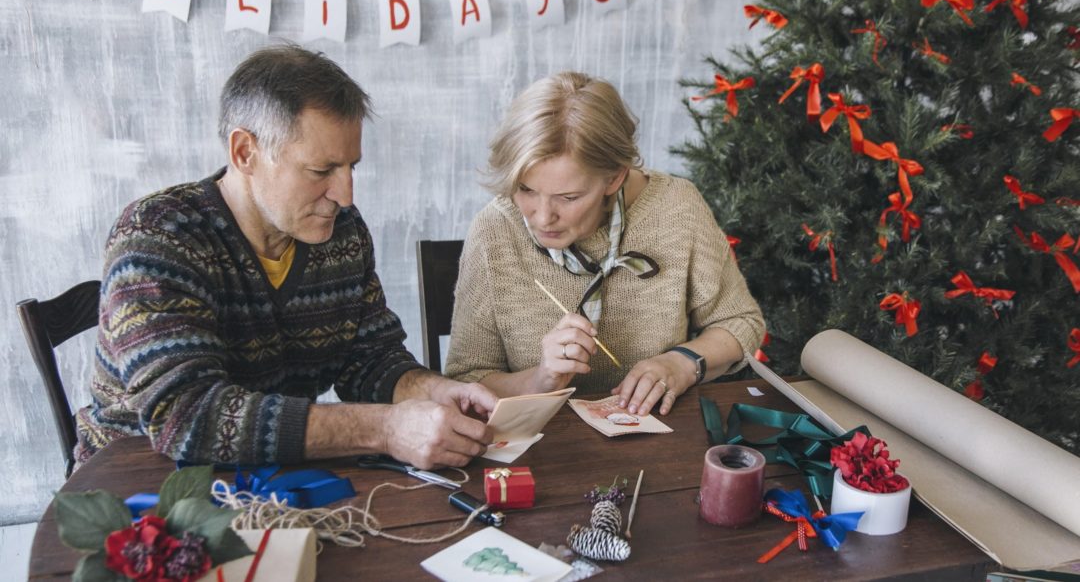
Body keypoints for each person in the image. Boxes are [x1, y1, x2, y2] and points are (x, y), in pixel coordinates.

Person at [75, 45, 495, 470]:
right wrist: (387, 428)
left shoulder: (342, 232)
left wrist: (432, 391)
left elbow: (369, 358)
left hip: (269, 480)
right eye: (321, 171)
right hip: (135, 485)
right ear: (245, 153)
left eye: (352, 167)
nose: (345, 194)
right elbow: (189, 417)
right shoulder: (158, 235)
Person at [444, 72, 765, 417]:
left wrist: (681, 364)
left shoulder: (677, 208)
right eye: (526, 190)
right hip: (545, 447)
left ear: (614, 177)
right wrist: (541, 380)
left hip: (662, 439)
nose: (541, 217)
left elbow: (741, 323)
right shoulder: (495, 230)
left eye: (568, 197)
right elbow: (468, 380)